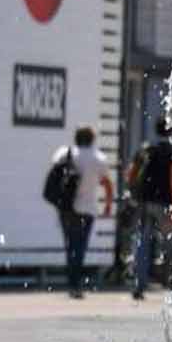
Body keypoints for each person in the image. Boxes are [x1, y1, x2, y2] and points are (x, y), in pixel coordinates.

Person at [50, 126, 114, 299]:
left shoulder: (64, 153)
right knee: (79, 247)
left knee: (70, 246)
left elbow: (55, 174)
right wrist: (108, 205)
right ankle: (75, 285)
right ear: (92, 139)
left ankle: (72, 283)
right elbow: (107, 184)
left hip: (66, 208)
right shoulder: (98, 158)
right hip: (87, 210)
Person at [129, 117, 172, 300]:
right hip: (164, 204)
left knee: (143, 244)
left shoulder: (146, 149)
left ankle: (139, 285)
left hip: (145, 202)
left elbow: (131, 173)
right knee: (170, 243)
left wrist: (134, 193)